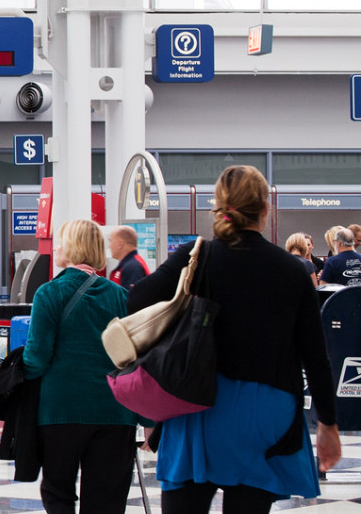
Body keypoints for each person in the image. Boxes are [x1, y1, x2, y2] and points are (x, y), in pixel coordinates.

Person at [129, 166, 342, 514]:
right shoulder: (292, 269)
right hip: (265, 413)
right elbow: (315, 354)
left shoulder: (196, 258)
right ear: (265, 209)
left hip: (196, 405)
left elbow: (137, 302)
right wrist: (328, 426)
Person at [23, 219, 151, 514]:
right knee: (107, 499)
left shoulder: (49, 293)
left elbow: (37, 357)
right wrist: (148, 420)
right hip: (115, 411)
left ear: (69, 247)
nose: (55, 247)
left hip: (62, 410)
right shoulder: (122, 296)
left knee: (58, 492)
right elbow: (136, 360)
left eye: (59, 242)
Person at [106, 226, 149, 290]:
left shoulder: (133, 267)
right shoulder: (129, 265)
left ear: (120, 244)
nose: (109, 246)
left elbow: (131, 298)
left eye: (111, 241)